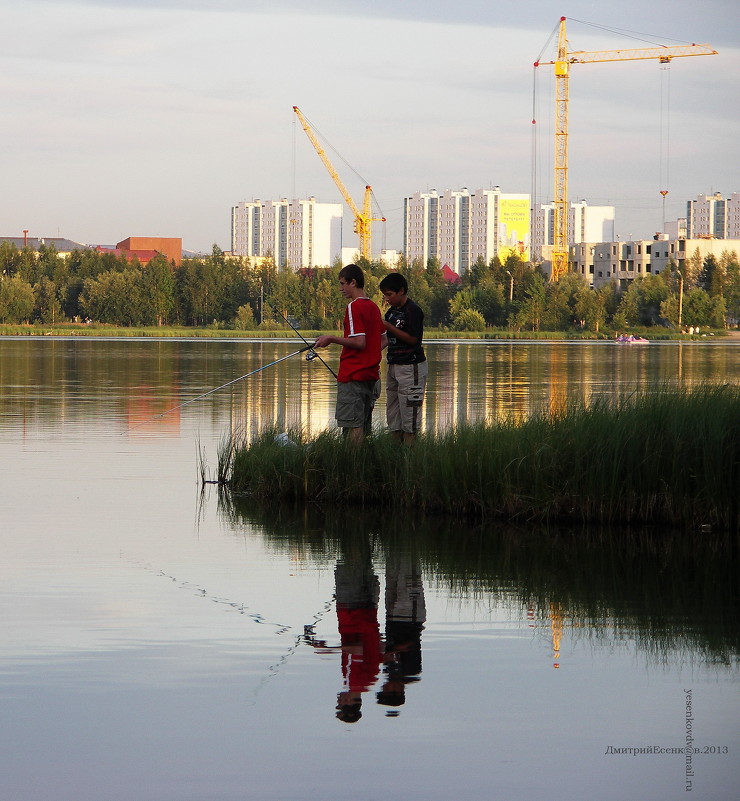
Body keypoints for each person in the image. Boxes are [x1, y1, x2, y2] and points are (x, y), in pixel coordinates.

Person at [314, 264, 383, 445]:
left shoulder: (354, 307)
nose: (341, 288)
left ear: (353, 282)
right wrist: (370, 356)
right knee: (361, 425)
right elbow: (383, 340)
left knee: (353, 426)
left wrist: (330, 338)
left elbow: (359, 342)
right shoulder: (374, 307)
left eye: (343, 284)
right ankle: (359, 464)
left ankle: (353, 467)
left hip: (353, 375)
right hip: (371, 376)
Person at [379, 272, 428, 444]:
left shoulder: (413, 310)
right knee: (393, 414)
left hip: (411, 366)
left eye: (389, 295)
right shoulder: (391, 313)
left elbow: (413, 339)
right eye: (385, 295)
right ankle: (394, 453)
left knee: (410, 417)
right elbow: (386, 338)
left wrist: (388, 327)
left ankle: (410, 457)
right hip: (393, 366)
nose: (387, 299)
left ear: (401, 291)